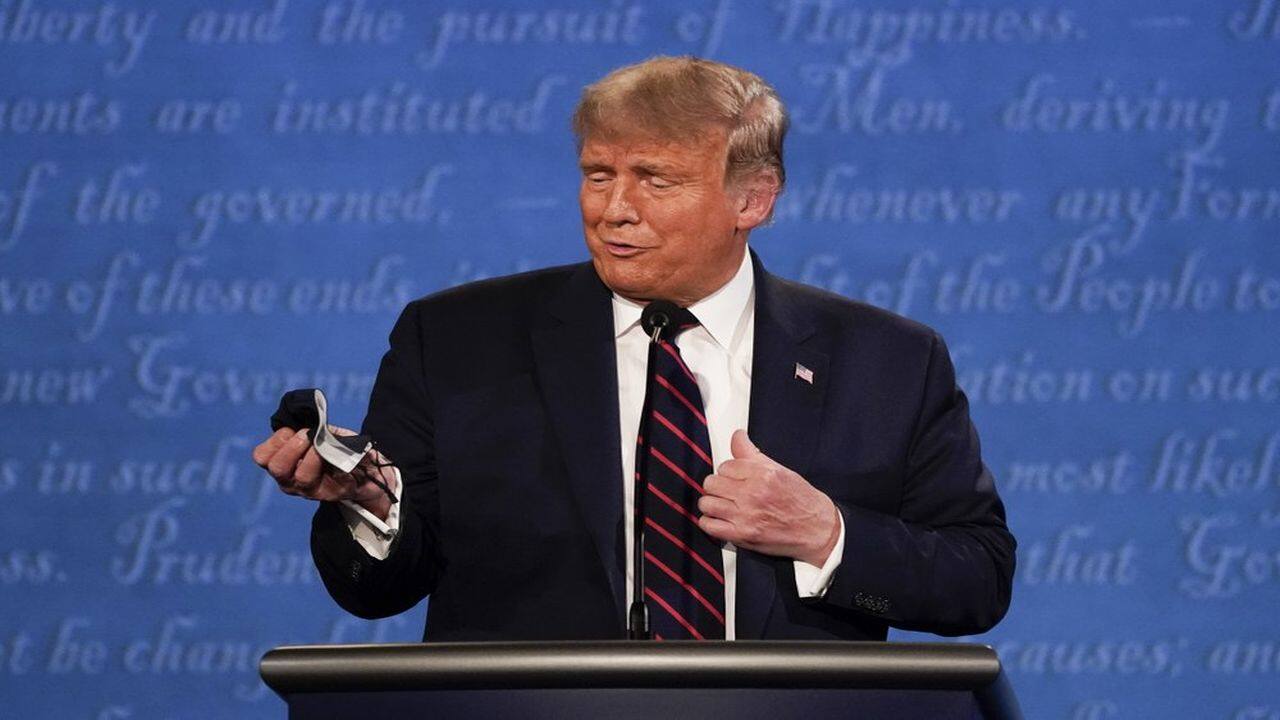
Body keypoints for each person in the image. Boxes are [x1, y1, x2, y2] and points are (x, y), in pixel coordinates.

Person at [252, 56, 1015, 641]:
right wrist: (370, 508)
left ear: (753, 198)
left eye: (655, 179)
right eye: (597, 174)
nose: (615, 210)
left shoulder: (886, 362)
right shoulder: (456, 342)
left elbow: (977, 581)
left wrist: (827, 536)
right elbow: (378, 589)